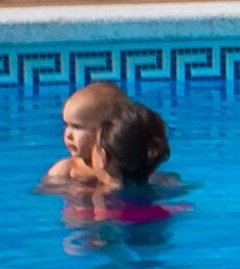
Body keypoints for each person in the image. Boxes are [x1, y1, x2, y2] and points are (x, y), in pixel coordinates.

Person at [41, 81, 176, 204]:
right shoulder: (66, 170)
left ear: (111, 130)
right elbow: (44, 190)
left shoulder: (131, 165)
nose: (68, 134)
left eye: (77, 127)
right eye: (66, 125)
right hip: (82, 219)